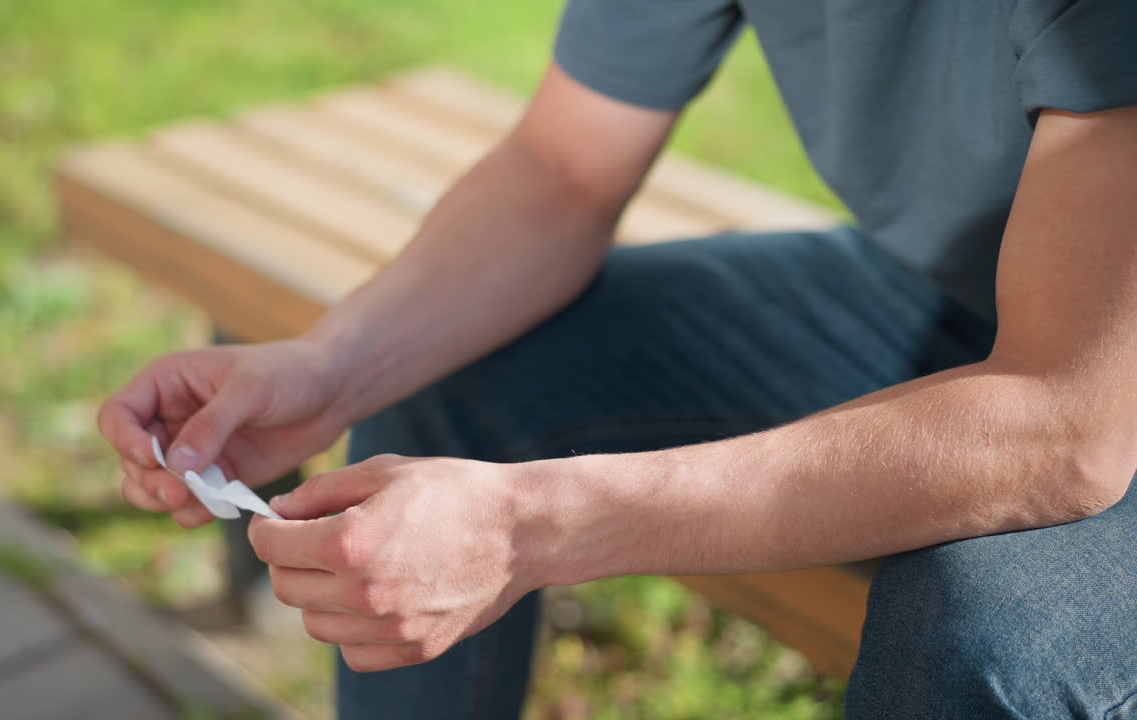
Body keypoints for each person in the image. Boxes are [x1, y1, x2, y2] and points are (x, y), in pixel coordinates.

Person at [97, 1, 1137, 717]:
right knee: (452, 389)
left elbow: (1062, 424)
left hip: (1091, 377)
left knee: (979, 638)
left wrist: (531, 526)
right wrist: (329, 369)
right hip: (970, 294)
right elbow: (561, 167)